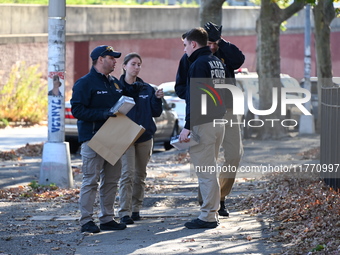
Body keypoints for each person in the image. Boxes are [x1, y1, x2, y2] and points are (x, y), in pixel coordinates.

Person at [175, 21, 245, 217]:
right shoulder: (190, 57)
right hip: (204, 113)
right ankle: (208, 202)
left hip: (228, 109)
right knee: (207, 158)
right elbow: (181, 86)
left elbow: (239, 60)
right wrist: (196, 97)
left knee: (234, 155)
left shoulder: (222, 54)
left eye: (215, 42)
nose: (212, 47)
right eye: (210, 42)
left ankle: (219, 197)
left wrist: (221, 42)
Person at [71, 45, 139, 233]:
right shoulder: (84, 83)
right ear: (100, 59)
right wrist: (104, 114)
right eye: (111, 58)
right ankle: (86, 221)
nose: (115, 61)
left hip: (114, 138)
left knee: (111, 181)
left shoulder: (114, 83)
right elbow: (77, 110)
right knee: (91, 181)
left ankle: (107, 218)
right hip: (93, 139)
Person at [179, 27, 227, 229]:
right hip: (218, 122)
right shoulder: (216, 62)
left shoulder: (198, 64)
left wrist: (187, 126)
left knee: (206, 172)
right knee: (211, 169)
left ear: (193, 44)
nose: (184, 50)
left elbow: (195, 99)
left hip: (204, 124)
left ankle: (208, 215)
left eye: (185, 45)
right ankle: (211, 212)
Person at [118, 53, 163, 224]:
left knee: (140, 175)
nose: (136, 67)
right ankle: (124, 212)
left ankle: (136, 208)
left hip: (144, 136)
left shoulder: (147, 88)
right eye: (133, 64)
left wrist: (157, 99)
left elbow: (156, 112)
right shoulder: (117, 87)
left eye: (139, 64)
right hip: (125, 137)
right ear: (124, 66)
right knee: (127, 174)